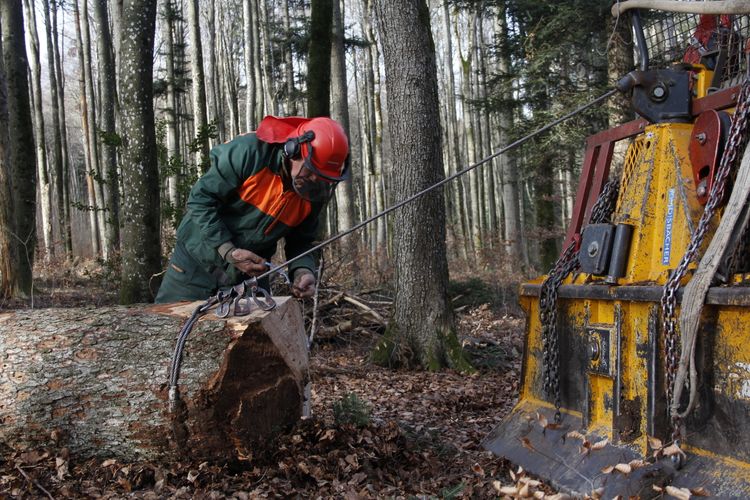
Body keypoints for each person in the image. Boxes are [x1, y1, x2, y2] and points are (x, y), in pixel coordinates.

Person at [155, 115, 350, 303]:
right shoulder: (250, 153)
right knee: (169, 327)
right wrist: (228, 250)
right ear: (293, 150)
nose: (314, 181)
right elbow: (200, 200)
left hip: (249, 277)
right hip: (196, 261)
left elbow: (302, 241)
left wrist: (302, 271)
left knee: (248, 335)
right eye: (310, 172)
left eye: (322, 178)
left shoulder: (313, 194)